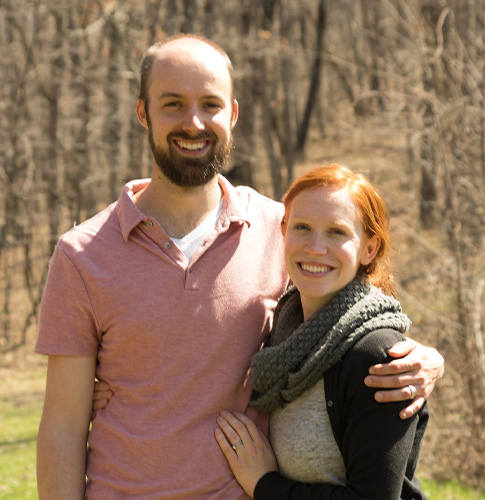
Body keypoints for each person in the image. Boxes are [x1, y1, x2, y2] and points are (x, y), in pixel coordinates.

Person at [35, 34, 442, 500]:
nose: (193, 122)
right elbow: (63, 426)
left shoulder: (281, 229)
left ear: (232, 114)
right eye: (173, 104)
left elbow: (354, 310)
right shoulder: (83, 254)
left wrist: (426, 358)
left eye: (209, 104)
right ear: (143, 112)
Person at [214, 164, 430, 499]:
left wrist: (264, 484)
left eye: (336, 232)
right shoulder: (284, 335)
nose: (315, 247)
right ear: (283, 232)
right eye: (302, 227)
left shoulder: (377, 356)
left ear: (369, 249)